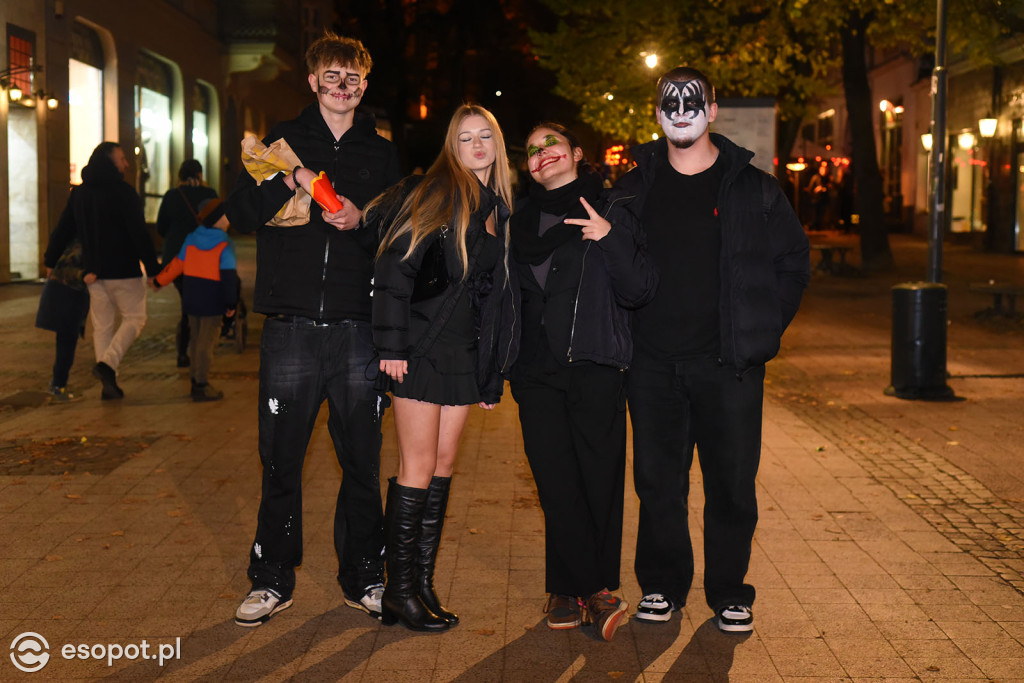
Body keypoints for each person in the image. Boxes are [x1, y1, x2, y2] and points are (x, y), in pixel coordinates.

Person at [611, 67, 810, 632]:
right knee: (658, 485)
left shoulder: (753, 187)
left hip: (730, 368)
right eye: (669, 104)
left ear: (712, 111)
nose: (681, 112)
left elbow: (793, 263)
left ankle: (729, 592)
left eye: (692, 102)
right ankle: (662, 586)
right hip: (652, 366)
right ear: (657, 115)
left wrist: (760, 329)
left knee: (731, 485)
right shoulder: (632, 188)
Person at [225, 32, 401, 627]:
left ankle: (364, 576)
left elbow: (397, 235)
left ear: (364, 86)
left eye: (352, 78)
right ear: (313, 81)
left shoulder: (381, 152)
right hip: (291, 327)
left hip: (357, 328)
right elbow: (239, 212)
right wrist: (292, 178)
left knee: (361, 461)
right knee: (280, 460)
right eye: (332, 75)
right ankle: (271, 578)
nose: (342, 86)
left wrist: (362, 220)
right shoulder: (280, 142)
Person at [369, 104, 517, 632]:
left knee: (444, 465)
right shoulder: (440, 191)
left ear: (497, 144)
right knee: (417, 465)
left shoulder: (497, 206)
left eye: (485, 136)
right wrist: (391, 346)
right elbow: (395, 265)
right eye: (465, 138)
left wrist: (490, 370)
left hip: (462, 355)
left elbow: (494, 300)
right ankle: (398, 591)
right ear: (452, 147)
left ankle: (421, 583)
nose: (476, 145)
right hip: (420, 348)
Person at [507, 123, 656, 641]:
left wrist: (609, 239)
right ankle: (595, 590)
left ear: (575, 153)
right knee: (556, 483)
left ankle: (566, 590)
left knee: (598, 481)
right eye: (532, 150)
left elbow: (640, 288)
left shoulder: (613, 207)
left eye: (551, 144)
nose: (542, 153)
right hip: (535, 370)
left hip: (595, 362)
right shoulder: (519, 220)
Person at [45, 141, 160, 400]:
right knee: (135, 318)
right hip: (124, 270)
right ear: (109, 161)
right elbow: (139, 233)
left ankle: (109, 385)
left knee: (103, 327)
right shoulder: (124, 193)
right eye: (121, 159)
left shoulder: (80, 193)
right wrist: (153, 269)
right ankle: (108, 365)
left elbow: (63, 229)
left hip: (93, 273)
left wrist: (50, 259)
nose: (126, 164)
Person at [153, 199, 237, 402]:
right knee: (206, 343)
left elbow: (177, 264)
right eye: (226, 215)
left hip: (192, 297)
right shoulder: (224, 243)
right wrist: (231, 302)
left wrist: (158, 281)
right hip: (213, 300)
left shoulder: (191, 238)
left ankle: (194, 379)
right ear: (218, 219)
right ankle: (201, 384)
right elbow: (228, 276)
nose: (229, 219)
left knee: (196, 340)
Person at [156, 159, 218, 368]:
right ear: (200, 174)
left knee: (187, 304)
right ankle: (197, 349)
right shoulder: (210, 195)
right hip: (203, 258)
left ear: (180, 176)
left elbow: (161, 227)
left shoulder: (172, 196)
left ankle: (183, 352)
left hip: (177, 260)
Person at [37, 239, 89, 402]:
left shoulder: (75, 245)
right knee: (66, 341)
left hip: (65, 295)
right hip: (67, 297)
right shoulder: (81, 248)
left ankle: (59, 384)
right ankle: (58, 386)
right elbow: (70, 272)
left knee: (66, 341)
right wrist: (86, 275)